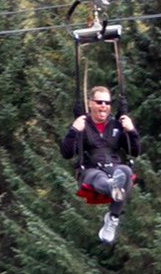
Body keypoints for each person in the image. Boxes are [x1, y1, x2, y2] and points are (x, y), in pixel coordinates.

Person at [60, 85, 140, 244]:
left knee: (125, 171)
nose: (104, 105)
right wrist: (74, 130)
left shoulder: (116, 124)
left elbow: (135, 152)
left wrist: (131, 131)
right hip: (90, 170)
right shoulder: (82, 124)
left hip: (114, 167)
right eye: (99, 102)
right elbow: (67, 153)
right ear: (90, 103)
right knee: (99, 177)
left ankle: (113, 217)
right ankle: (112, 186)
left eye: (108, 102)